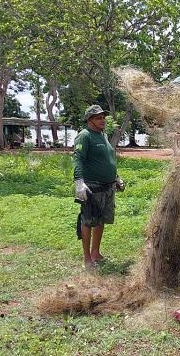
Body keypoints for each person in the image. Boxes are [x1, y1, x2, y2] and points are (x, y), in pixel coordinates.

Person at [73, 105, 125, 269]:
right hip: (92, 187)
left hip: (107, 186)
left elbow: (108, 160)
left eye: (103, 117)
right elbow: (78, 159)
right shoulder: (85, 136)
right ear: (89, 120)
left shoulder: (103, 135)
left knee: (100, 220)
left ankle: (96, 252)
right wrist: (79, 182)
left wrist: (116, 177)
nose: (102, 120)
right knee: (88, 220)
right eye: (98, 118)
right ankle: (87, 258)